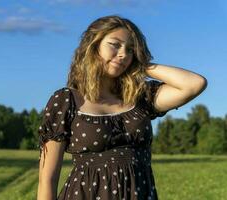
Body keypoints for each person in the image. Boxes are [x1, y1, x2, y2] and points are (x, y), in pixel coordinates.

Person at [37, 15, 207, 200]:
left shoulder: (140, 96)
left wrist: (141, 65)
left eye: (130, 50)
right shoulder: (66, 100)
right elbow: (48, 180)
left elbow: (194, 84)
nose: (123, 54)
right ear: (93, 46)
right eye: (115, 44)